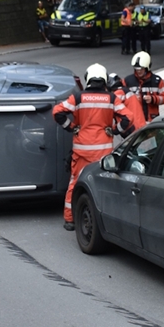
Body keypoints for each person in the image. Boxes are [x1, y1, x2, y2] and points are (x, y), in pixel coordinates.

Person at [53, 64, 132, 231]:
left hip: (82, 150)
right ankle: (103, 221)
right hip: (103, 152)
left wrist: (71, 127)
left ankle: (70, 219)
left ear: (88, 78)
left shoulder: (78, 97)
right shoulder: (112, 98)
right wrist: (115, 130)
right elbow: (128, 117)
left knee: (75, 182)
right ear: (104, 79)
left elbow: (57, 112)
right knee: (103, 185)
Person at [122, 51, 164, 124]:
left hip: (152, 120)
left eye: (141, 69)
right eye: (137, 69)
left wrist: (153, 99)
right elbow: (120, 100)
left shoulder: (157, 81)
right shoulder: (127, 81)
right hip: (134, 121)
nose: (139, 71)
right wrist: (133, 100)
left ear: (147, 68)